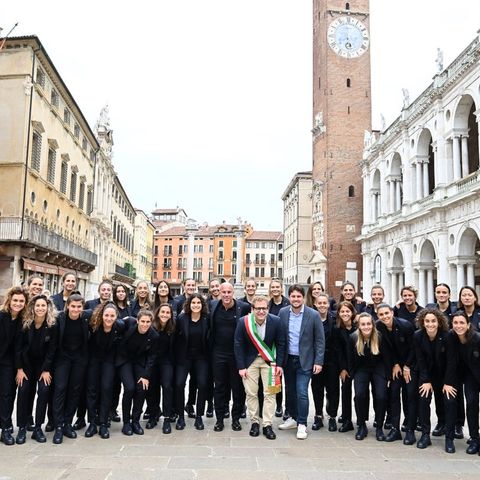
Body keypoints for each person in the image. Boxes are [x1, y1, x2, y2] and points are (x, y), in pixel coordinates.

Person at [234, 295, 285, 440]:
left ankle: (267, 424)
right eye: (258, 309)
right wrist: (241, 366)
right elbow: (238, 344)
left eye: (264, 308)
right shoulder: (243, 322)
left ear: (268, 309)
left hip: (270, 362)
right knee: (251, 393)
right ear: (252, 309)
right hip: (250, 362)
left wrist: (280, 365)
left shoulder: (276, 321)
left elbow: (281, 343)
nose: (261, 311)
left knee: (270, 393)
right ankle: (255, 422)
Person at [278, 284, 325, 440]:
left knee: (302, 392)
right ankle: (292, 417)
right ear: (289, 297)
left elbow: (319, 340)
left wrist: (318, 361)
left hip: (305, 360)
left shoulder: (313, 315)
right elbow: (280, 338)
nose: (296, 299)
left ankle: (302, 423)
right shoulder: (283, 313)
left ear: (303, 298)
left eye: (299, 296)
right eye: (293, 296)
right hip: (288, 359)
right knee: (290, 391)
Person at [14, 294, 57, 444]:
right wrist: (19, 369)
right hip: (26, 366)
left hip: (43, 367)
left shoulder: (52, 325)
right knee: (23, 390)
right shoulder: (25, 323)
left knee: (44, 390)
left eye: (43, 306)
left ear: (47, 307)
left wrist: (46, 370)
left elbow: (52, 350)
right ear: (33, 307)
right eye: (37, 305)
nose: (40, 308)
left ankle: (38, 427)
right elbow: (18, 348)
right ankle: (22, 428)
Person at [209, 282, 250, 432]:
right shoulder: (213, 306)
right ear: (219, 292)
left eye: (229, 292)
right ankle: (219, 419)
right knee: (219, 388)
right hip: (218, 354)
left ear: (233, 293)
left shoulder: (243, 307)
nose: (226, 295)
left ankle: (236, 419)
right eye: (223, 292)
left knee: (237, 388)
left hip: (237, 355)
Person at [51, 293, 92, 444]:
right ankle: (58, 426)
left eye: (79, 307)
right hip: (62, 358)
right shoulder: (59, 318)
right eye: (73, 306)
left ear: (83, 307)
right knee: (60, 389)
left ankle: (68, 422)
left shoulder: (86, 318)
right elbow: (54, 343)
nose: (75, 309)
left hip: (79, 359)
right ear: (67, 306)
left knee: (75, 390)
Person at [376, 303, 417, 444]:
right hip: (395, 365)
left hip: (411, 364)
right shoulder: (378, 327)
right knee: (393, 394)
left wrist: (407, 366)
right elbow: (385, 349)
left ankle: (410, 430)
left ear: (392, 312)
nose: (384, 317)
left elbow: (414, 348)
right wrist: (395, 364)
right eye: (381, 314)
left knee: (410, 395)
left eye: (386, 313)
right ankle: (395, 429)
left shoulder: (406, 326)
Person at [84, 302, 125, 439]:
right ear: (102, 315)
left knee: (107, 389)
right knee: (92, 390)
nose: (108, 318)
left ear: (116, 317)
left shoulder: (119, 326)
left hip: (109, 361)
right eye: (106, 315)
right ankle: (91, 422)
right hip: (94, 360)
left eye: (112, 316)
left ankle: (103, 423)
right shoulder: (94, 325)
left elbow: (131, 322)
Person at [349, 312, 392, 441]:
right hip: (362, 368)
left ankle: (379, 426)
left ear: (373, 325)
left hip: (378, 367)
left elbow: (387, 357)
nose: (366, 327)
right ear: (359, 326)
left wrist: (388, 376)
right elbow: (350, 358)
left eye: (369, 324)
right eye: (363, 324)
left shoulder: (379, 337)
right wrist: (352, 375)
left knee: (381, 395)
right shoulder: (353, 338)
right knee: (359, 395)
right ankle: (362, 425)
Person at [116, 310, 159, 436]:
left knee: (141, 388)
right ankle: (126, 423)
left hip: (139, 362)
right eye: (142, 321)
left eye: (148, 322)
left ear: (151, 323)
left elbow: (152, 357)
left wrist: (146, 375)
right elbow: (116, 324)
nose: (145, 324)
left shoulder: (154, 335)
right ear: (137, 321)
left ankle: (135, 421)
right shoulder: (129, 323)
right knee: (129, 388)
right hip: (124, 360)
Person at [413, 308, 451, 449]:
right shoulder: (418, 336)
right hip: (426, 374)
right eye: (427, 321)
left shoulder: (447, 336)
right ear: (423, 322)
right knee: (423, 400)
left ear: (439, 322)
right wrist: (426, 381)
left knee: (446, 400)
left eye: (433, 321)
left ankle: (446, 431)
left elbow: (451, 361)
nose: (430, 324)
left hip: (444, 375)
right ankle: (425, 434)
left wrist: (447, 382)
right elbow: (420, 360)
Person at [174, 294, 210, 431]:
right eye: (193, 302)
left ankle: (199, 416)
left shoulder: (207, 319)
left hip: (201, 357)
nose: (196, 305)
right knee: (179, 384)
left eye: (198, 302)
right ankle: (180, 417)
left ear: (202, 305)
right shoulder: (182, 319)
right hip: (184, 357)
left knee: (202, 384)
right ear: (189, 304)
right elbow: (176, 338)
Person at [447, 310, 480, 454]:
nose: (458, 326)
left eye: (462, 323)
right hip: (468, 376)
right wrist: (448, 382)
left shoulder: (477, 338)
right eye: (455, 323)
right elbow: (451, 362)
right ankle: (474, 438)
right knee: (471, 403)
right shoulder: (451, 337)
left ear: (468, 325)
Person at [0, 286, 28, 446]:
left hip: (9, 364)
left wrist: (19, 369)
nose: (17, 303)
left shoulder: (23, 322)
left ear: (25, 303)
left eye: (21, 301)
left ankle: (5, 429)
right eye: (15, 300)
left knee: (7, 395)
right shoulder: (1, 316)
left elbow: (20, 348)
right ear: (9, 300)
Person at [309, 292, 339, 432]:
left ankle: (332, 417)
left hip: (332, 360)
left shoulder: (335, 318)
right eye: (319, 303)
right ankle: (318, 416)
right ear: (315, 304)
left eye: (324, 303)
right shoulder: (311, 318)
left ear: (328, 304)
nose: (322, 305)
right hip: (316, 361)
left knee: (333, 389)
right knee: (317, 389)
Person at [145, 303, 176, 433]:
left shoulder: (173, 328)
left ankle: (167, 418)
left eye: (167, 312)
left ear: (171, 315)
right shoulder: (151, 328)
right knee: (152, 389)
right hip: (152, 362)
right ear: (157, 313)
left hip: (167, 362)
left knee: (167, 386)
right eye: (162, 312)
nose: (164, 315)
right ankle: (153, 415)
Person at [333, 301, 357, 433]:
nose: (345, 314)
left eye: (347, 311)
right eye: (342, 311)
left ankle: (361, 419)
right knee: (346, 391)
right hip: (345, 366)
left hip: (359, 365)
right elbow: (338, 351)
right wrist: (342, 368)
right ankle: (347, 420)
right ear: (338, 314)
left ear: (352, 312)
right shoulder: (337, 329)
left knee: (360, 393)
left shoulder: (359, 327)